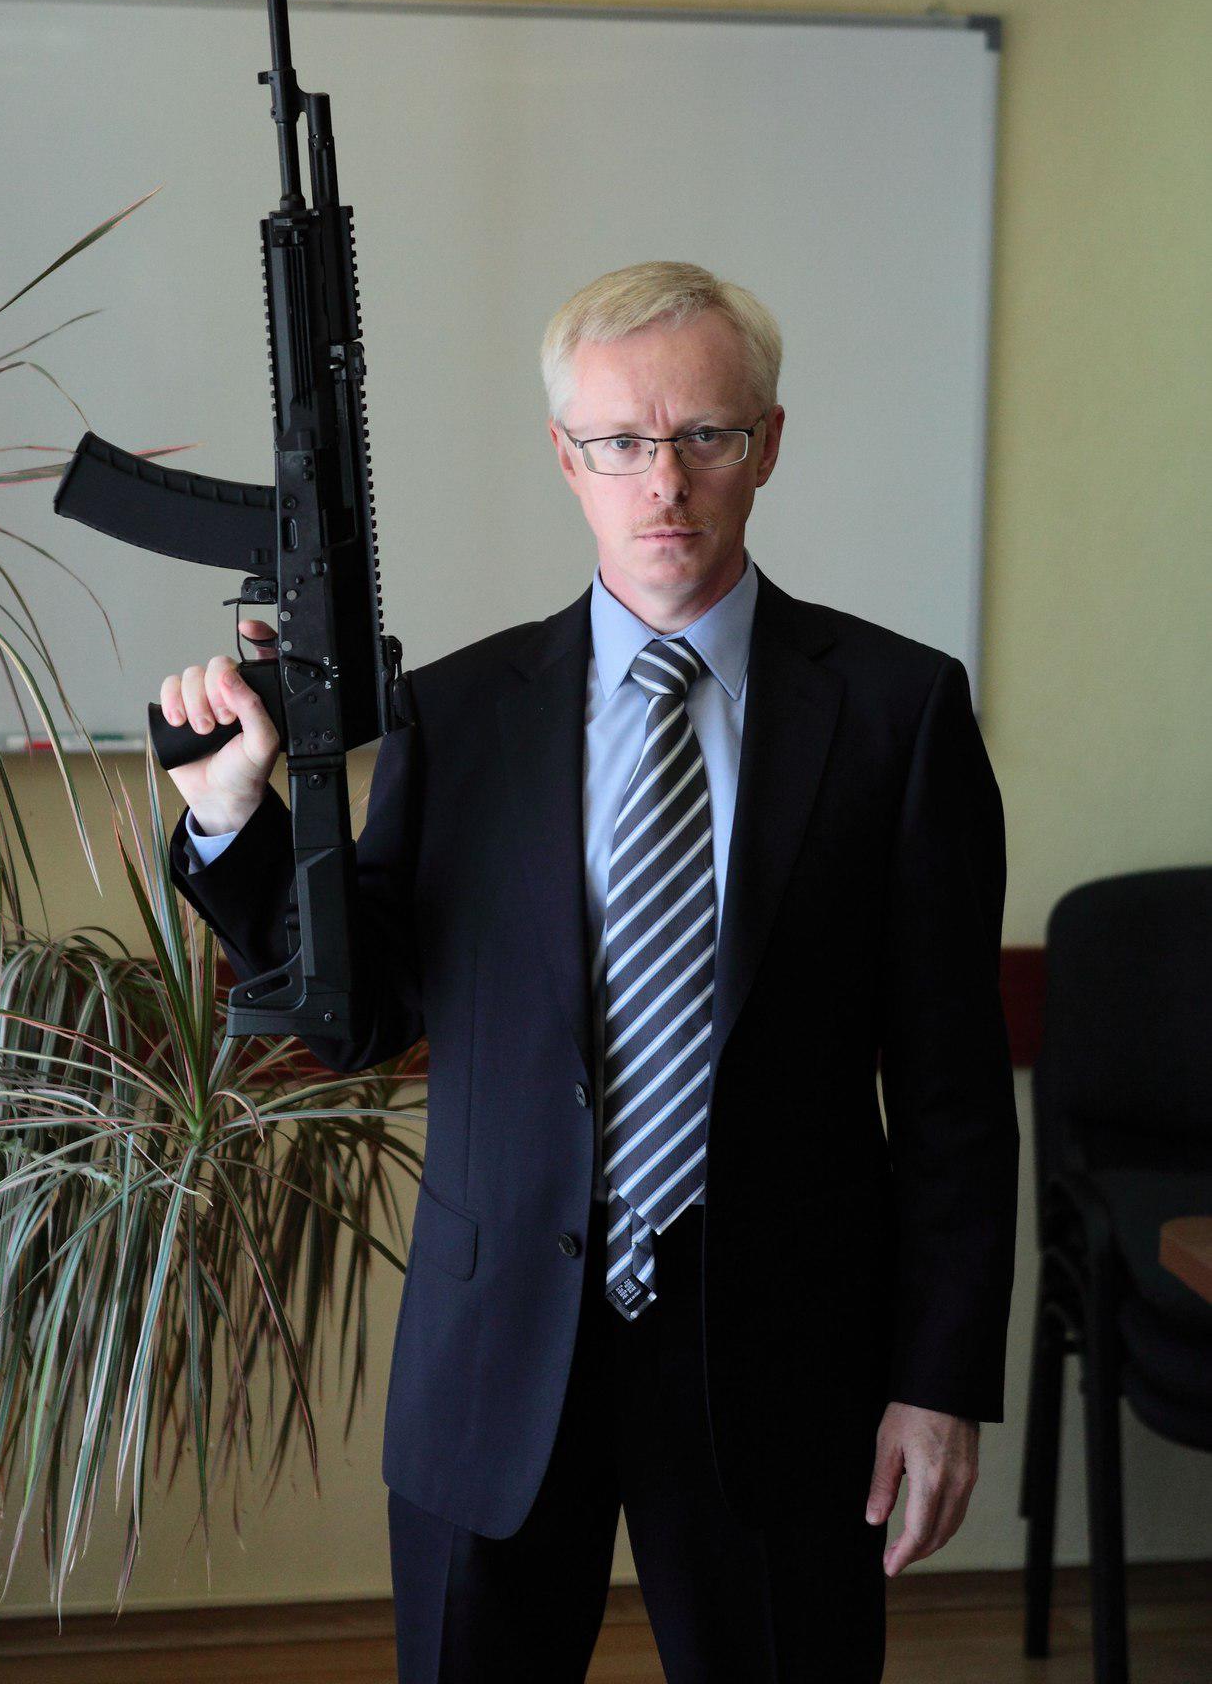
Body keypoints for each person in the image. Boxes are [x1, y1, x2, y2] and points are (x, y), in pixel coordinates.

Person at [162, 261, 1018, 1683]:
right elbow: (359, 1018)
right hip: (495, 1358)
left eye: (705, 435)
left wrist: (937, 1383)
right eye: (621, 441)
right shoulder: (454, 715)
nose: (663, 481)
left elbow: (952, 1094)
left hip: (784, 1361)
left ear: (768, 445)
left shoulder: (897, 710)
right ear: (566, 458)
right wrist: (232, 820)